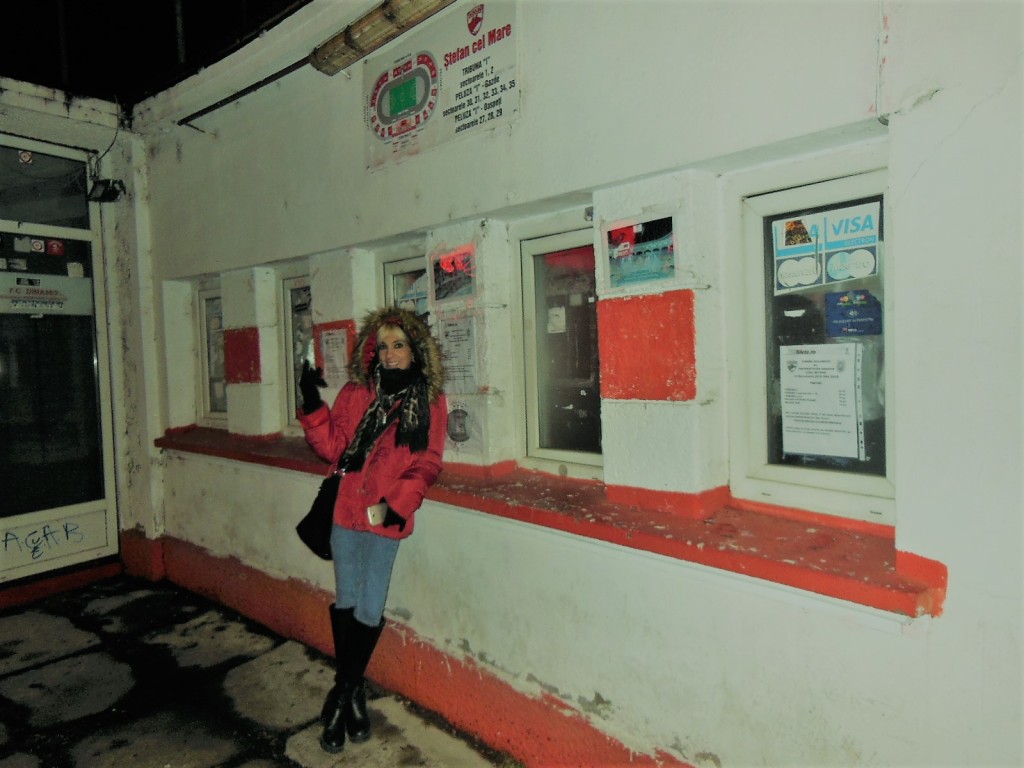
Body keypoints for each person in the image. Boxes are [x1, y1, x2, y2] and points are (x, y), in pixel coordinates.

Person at [298, 306, 447, 754]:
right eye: (382, 346)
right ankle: (353, 694)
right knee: (346, 599)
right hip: (345, 510)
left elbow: (427, 463)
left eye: (399, 344)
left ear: (415, 349)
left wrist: (393, 506)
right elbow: (333, 447)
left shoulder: (429, 400)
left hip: (385, 514)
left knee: (369, 602)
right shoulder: (356, 392)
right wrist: (311, 405)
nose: (390, 354)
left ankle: (340, 699)